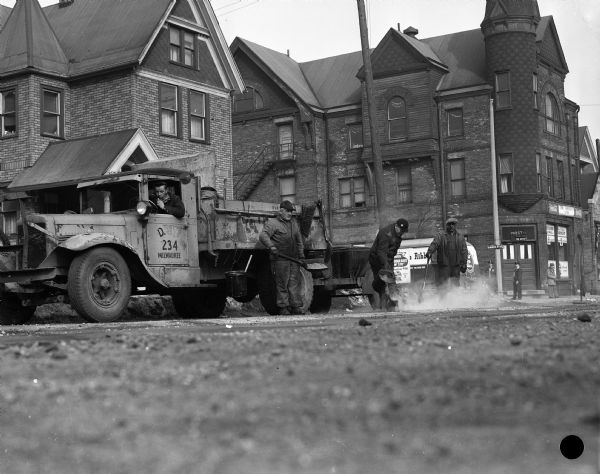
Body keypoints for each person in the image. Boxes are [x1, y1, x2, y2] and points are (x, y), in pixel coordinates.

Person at [259, 200, 305, 315]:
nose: (290, 214)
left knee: (294, 283)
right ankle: (283, 308)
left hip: (293, 259)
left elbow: (299, 241)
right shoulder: (273, 223)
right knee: (282, 284)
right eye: (288, 211)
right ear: (281, 211)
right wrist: (272, 247)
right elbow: (263, 235)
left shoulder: (294, 223)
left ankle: (295, 307)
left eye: (291, 211)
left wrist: (301, 255)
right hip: (280, 259)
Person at [368, 218, 409, 310]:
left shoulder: (398, 237)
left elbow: (393, 252)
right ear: (396, 227)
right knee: (382, 281)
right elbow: (381, 252)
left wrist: (390, 265)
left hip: (388, 259)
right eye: (401, 231)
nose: (402, 233)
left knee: (391, 279)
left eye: (403, 231)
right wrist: (386, 265)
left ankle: (392, 302)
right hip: (376, 259)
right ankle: (382, 303)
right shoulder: (386, 233)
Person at [425, 217, 468, 288]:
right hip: (444, 266)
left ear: (455, 225)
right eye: (449, 224)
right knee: (443, 286)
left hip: (456, 266)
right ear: (446, 225)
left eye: (453, 224)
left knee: (455, 286)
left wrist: (464, 263)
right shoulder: (440, 236)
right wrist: (430, 251)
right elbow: (435, 243)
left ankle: (456, 298)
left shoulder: (460, 237)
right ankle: (443, 298)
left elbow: (464, 251)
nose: (451, 226)